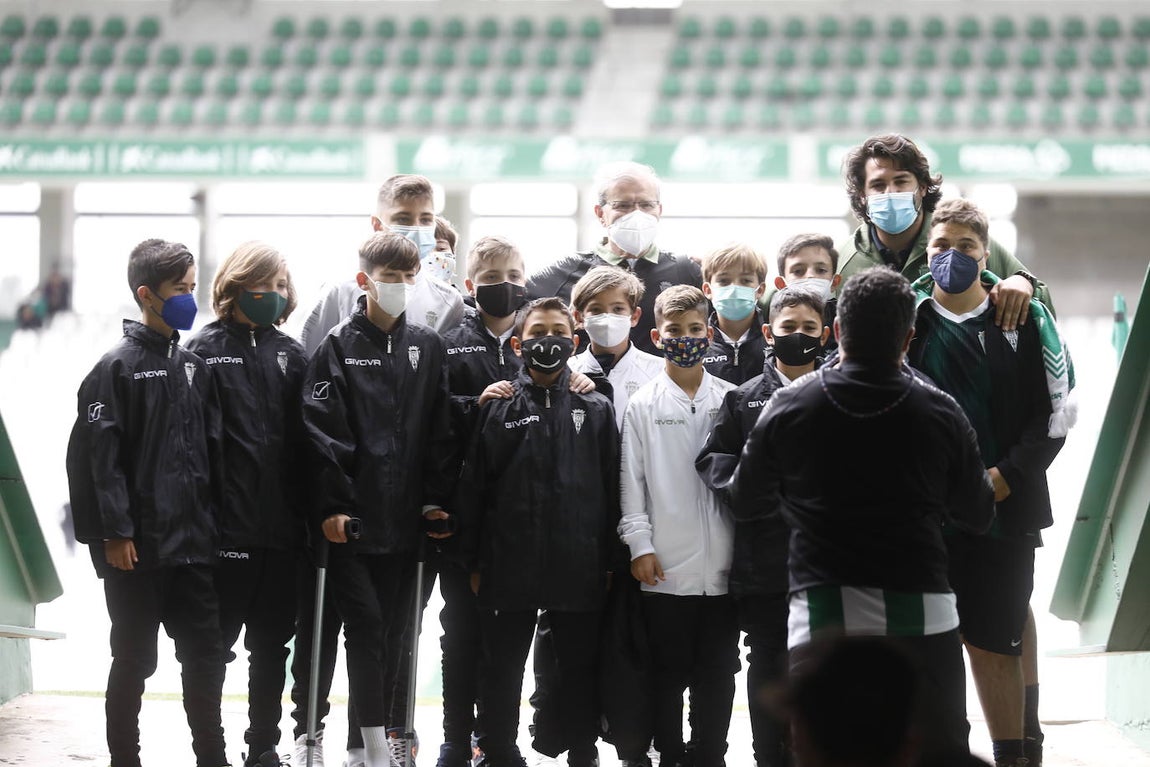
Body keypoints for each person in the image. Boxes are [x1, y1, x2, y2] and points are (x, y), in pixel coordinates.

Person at [729, 266, 996, 763]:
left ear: (834, 331)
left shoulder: (789, 405)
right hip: (922, 604)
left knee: (828, 749)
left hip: (824, 610)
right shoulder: (940, 410)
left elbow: (746, 500)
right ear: (910, 336)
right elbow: (979, 514)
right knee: (935, 745)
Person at [907, 199, 1072, 767]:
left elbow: (1053, 416)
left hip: (1007, 510)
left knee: (997, 639)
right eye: (941, 247)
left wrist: (1005, 477)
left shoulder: (1023, 319)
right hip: (926, 516)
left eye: (966, 247)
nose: (952, 257)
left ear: (985, 253)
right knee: (932, 647)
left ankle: (1018, 753)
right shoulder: (910, 321)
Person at [65, 238, 229, 767]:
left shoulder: (193, 366)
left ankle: (212, 757)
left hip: (194, 548)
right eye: (179, 290)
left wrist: (211, 529)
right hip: (136, 553)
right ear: (146, 294)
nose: (189, 298)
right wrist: (115, 533)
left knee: (205, 660)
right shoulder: (113, 368)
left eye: (191, 288)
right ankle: (124, 759)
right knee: (134, 661)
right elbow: (97, 462)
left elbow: (208, 457)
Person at [300, 231, 456, 767]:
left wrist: (435, 500)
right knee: (365, 629)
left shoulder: (428, 347)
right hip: (354, 526)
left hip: (408, 525)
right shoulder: (338, 346)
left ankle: (361, 743)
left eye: (410, 277)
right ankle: (369, 747)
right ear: (365, 281)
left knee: (393, 635)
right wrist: (333, 507)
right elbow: (324, 435)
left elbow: (439, 432)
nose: (402, 286)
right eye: (391, 277)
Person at [458, 296, 619, 767]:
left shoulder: (596, 406)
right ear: (517, 344)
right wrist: (473, 561)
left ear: (574, 341)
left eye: (557, 331)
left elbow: (613, 488)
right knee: (501, 668)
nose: (547, 341)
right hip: (509, 562)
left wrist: (609, 560)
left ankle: (582, 751)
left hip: (579, 561)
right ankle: (499, 752)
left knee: (578, 666)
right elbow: (474, 489)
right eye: (536, 333)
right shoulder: (498, 405)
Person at [695, 284, 830, 767]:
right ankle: (767, 756)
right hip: (764, 561)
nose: (798, 336)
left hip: (829, 564)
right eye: (788, 327)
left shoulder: (840, 395)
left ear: (827, 334)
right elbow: (714, 460)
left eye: (809, 329)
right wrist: (753, 496)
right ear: (768, 332)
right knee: (767, 660)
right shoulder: (743, 399)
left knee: (824, 664)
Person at [185, 241, 308, 767]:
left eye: (282, 286)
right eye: (265, 284)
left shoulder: (294, 354)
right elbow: (189, 448)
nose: (275, 295)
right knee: (211, 651)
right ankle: (210, 752)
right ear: (234, 287)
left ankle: (263, 747)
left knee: (271, 649)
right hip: (223, 535)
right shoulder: (202, 352)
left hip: (282, 536)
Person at [618, 285, 740, 767]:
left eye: (694, 330)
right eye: (675, 331)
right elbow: (633, 483)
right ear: (656, 336)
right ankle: (669, 753)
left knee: (719, 671)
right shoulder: (643, 405)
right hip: (665, 568)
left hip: (727, 569)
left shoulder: (731, 399)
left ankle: (710, 754)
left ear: (708, 334)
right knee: (666, 673)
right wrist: (640, 546)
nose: (686, 338)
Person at [836, 133, 1052, 331]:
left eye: (901, 181)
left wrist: (1022, 283)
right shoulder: (844, 259)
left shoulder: (961, 238)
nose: (890, 192)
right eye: (878, 185)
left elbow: (1041, 301)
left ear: (921, 187)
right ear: (862, 195)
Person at [527, 161, 702, 355]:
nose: (636, 214)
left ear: (659, 211)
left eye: (646, 205)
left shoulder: (685, 271)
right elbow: (509, 320)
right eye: (623, 205)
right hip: (587, 384)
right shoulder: (566, 272)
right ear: (600, 213)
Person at [300, 176, 464, 356]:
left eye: (425, 219)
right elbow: (311, 361)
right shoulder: (340, 292)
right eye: (403, 219)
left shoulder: (448, 301)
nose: (416, 228)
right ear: (377, 225)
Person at [568, 266, 663, 429]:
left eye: (618, 309)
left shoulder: (659, 372)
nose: (607, 317)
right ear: (579, 317)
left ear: (634, 316)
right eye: (596, 310)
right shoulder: (567, 371)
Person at [700, 243, 769, 385]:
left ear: (760, 290)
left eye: (745, 281)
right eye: (724, 281)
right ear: (708, 290)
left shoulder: (775, 340)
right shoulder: (697, 343)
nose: (734, 289)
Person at [773, 233, 842, 356]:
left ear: (834, 282)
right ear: (781, 284)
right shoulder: (773, 325)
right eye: (798, 271)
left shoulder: (847, 326)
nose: (810, 275)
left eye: (820, 270)